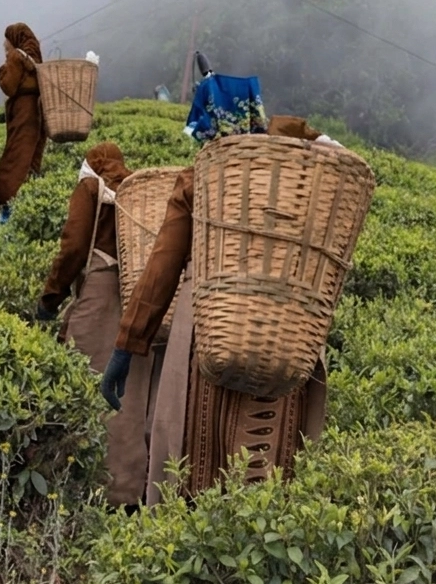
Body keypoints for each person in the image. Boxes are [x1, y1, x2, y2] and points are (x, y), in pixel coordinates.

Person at [101, 81, 331, 506]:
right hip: (284, 334)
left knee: (194, 450)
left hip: (208, 324)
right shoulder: (301, 175)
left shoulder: (202, 177)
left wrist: (127, 344)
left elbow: (162, 266)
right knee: (267, 462)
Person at [33, 142, 149, 510]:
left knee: (86, 386)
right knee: (130, 400)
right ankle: (129, 492)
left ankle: (84, 488)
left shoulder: (90, 188)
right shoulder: (137, 191)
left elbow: (73, 247)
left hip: (98, 298)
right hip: (136, 300)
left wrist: (50, 299)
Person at [0, 22, 48, 223]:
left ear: (14, 40)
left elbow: (9, 86)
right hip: (37, 112)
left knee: (15, 159)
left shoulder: (16, 57)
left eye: (6, 42)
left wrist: (3, 70)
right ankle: (27, 204)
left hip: (24, 114)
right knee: (31, 159)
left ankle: (6, 208)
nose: (4, 46)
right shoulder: (34, 60)